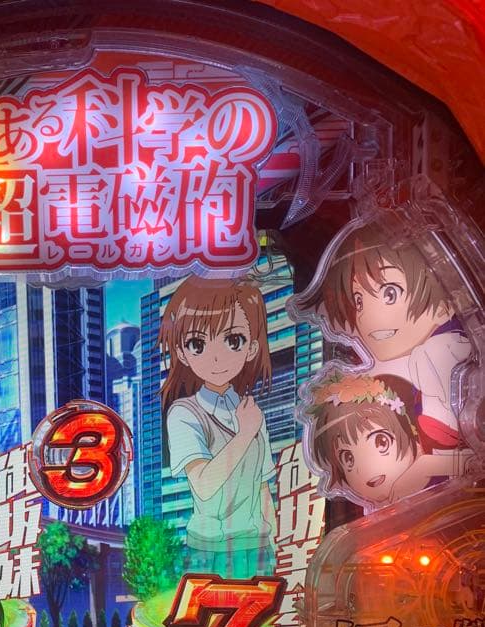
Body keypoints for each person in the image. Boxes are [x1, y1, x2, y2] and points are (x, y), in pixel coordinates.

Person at [293, 215, 472, 453]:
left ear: (444, 304)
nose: (366, 316)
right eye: (358, 302)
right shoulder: (374, 376)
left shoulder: (441, 351)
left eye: (389, 293)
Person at [159, 276, 276, 578]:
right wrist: (245, 433)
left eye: (233, 340)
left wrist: (277, 543)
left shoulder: (250, 411)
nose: (215, 357)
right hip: (210, 550)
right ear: (182, 353)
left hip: (258, 547)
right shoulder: (184, 413)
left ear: (251, 347)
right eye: (197, 344)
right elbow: (204, 484)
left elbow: (263, 487)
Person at [304, 370, 472, 509]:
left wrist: (426, 467)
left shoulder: (427, 466)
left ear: (411, 432)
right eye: (348, 458)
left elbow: (473, 462)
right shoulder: (374, 511)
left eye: (381, 442)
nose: (365, 470)